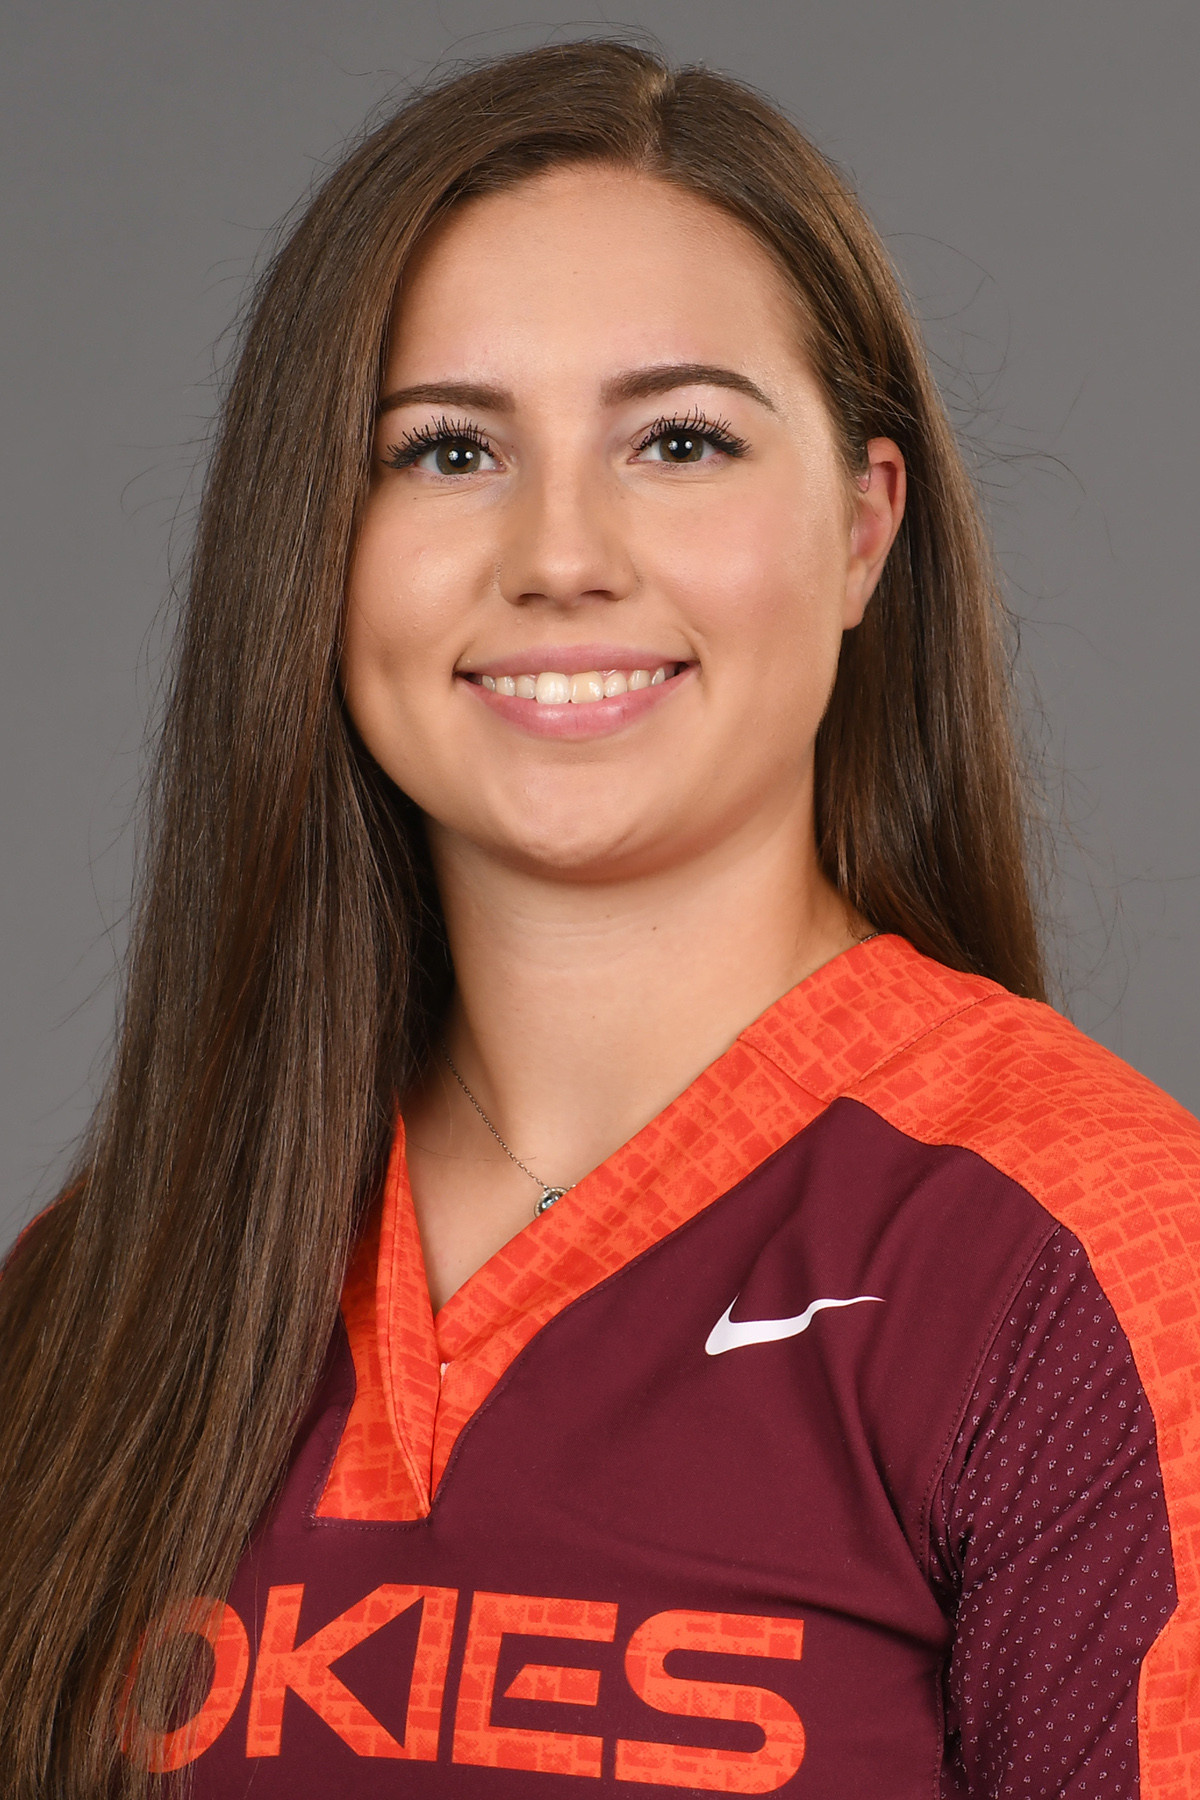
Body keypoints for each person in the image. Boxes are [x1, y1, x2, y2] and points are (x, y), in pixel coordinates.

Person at [0, 37, 1195, 1800]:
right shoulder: (104, 1287)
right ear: (315, 546)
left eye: (680, 440)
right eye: (447, 450)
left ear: (864, 529)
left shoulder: (1084, 1261)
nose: (561, 556)